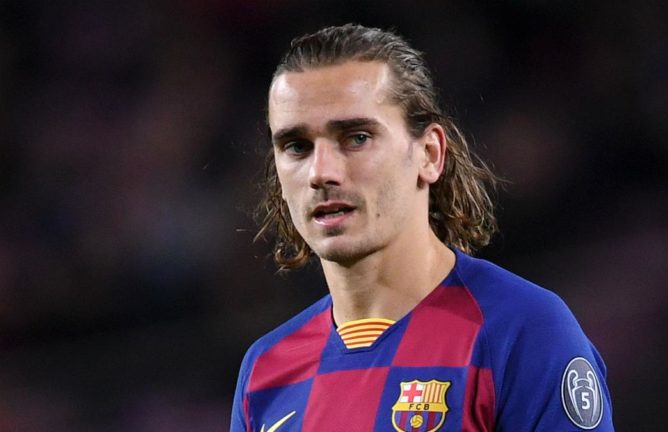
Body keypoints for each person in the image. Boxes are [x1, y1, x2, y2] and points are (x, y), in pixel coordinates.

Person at [231, 24, 614, 432]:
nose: (321, 173)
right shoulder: (265, 371)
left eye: (357, 138)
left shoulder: (522, 331)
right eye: (297, 146)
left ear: (430, 154)